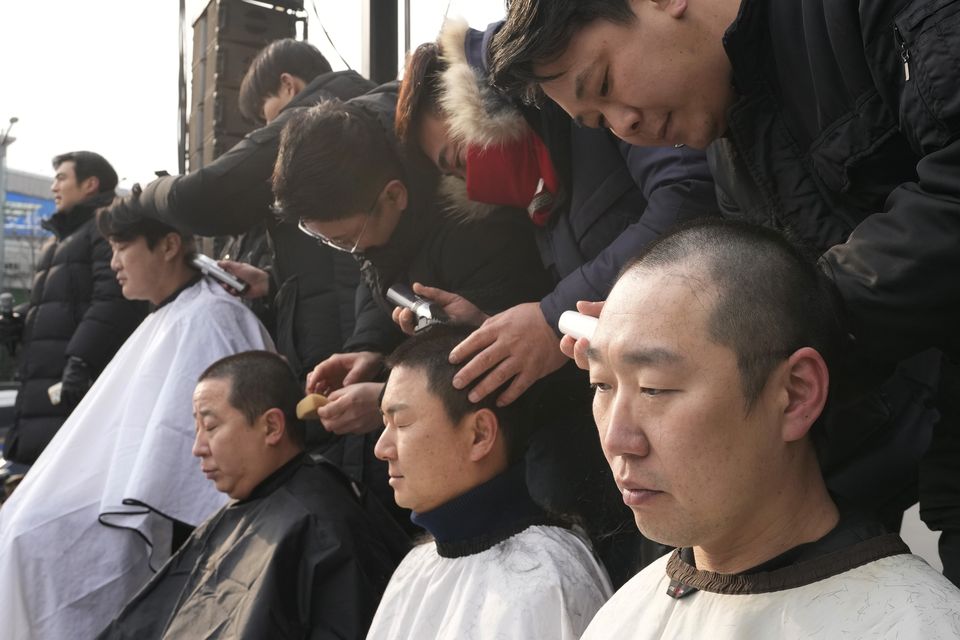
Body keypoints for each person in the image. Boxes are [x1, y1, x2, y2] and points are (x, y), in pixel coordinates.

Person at [489, 0, 958, 583]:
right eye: (596, 119)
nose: (623, 126)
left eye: (606, 83)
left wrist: (788, 315)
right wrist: (670, 324)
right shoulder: (729, 142)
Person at [568, 219, 960, 638]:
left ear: (795, 394)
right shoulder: (620, 619)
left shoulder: (919, 625)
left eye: (654, 388)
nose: (616, 439)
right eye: (602, 384)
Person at [0, 199, 273, 640]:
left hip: (170, 523)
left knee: (28, 545)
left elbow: (195, 465)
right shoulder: (169, 315)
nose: (113, 264)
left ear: (168, 245)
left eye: (122, 248)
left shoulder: (211, 317)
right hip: (123, 497)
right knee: (17, 531)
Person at [274, 94, 550, 514]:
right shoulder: (373, 205)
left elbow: (502, 365)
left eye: (345, 239)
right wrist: (365, 348)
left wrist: (387, 399)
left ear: (395, 195)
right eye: (326, 241)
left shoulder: (477, 227)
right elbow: (379, 274)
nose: (347, 251)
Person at [106, 38, 373, 380]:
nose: (267, 131)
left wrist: (146, 194)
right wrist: (272, 284)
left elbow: (202, 197)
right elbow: (339, 268)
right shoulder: (363, 110)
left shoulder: (316, 117)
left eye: (269, 116)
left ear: (288, 85)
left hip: (341, 349)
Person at [97, 351, 409, 640]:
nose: (198, 448)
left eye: (210, 426)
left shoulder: (324, 525)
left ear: (272, 426)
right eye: (197, 429)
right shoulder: (251, 507)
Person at [366, 325, 611, 639]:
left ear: (479, 434)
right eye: (384, 424)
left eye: (400, 423)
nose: (382, 449)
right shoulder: (414, 567)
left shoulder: (545, 578)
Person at [3, 151, 146, 464]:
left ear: (90, 184)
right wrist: (20, 321)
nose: (54, 187)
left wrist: (81, 359)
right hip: (44, 395)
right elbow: (60, 305)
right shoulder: (57, 241)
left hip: (74, 392)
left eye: (62, 178)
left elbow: (113, 300)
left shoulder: (105, 228)